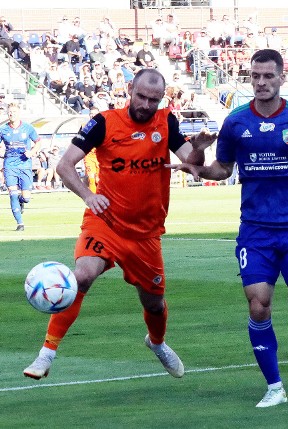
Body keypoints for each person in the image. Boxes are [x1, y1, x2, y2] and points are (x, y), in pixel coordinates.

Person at [167, 49, 288, 408]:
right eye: (255, 76)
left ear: (282, 78)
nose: (261, 83)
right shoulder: (235, 123)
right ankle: (275, 386)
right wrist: (195, 163)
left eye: (268, 76)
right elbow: (223, 170)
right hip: (256, 230)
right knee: (258, 305)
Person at [22, 68, 218, 381]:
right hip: (106, 223)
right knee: (82, 276)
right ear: (130, 89)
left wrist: (199, 148)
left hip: (146, 235)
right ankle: (46, 354)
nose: (146, 105)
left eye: (154, 99)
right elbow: (64, 165)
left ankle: (156, 343)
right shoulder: (103, 123)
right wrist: (88, 196)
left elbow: (193, 165)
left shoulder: (166, 121)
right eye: (141, 96)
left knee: (154, 304)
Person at [0, 103, 41, 231]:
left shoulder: (28, 128)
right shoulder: (2, 130)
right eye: (9, 112)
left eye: (14, 111)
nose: (11, 113)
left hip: (25, 165)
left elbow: (38, 142)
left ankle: (21, 200)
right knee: (12, 193)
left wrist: (32, 152)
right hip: (9, 165)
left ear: (19, 113)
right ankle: (20, 223)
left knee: (27, 198)